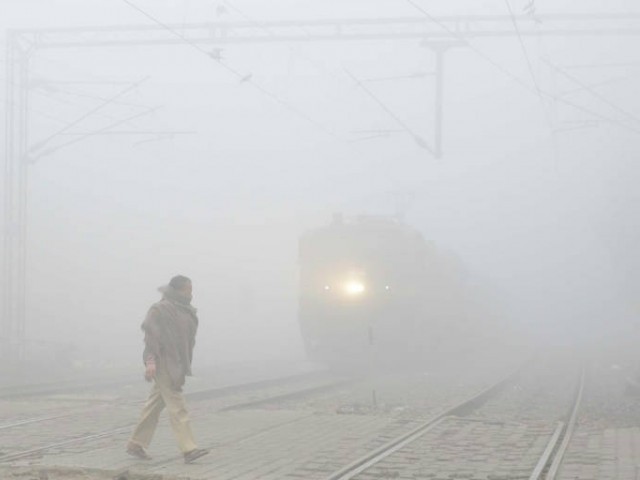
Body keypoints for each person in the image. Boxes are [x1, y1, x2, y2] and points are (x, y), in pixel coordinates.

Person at [126, 275, 209, 464]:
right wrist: (150, 361)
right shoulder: (160, 309)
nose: (191, 293)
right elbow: (150, 335)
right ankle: (189, 449)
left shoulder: (185, 310)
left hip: (177, 362)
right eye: (188, 289)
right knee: (177, 404)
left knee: (155, 404)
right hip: (164, 362)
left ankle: (136, 444)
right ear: (178, 290)